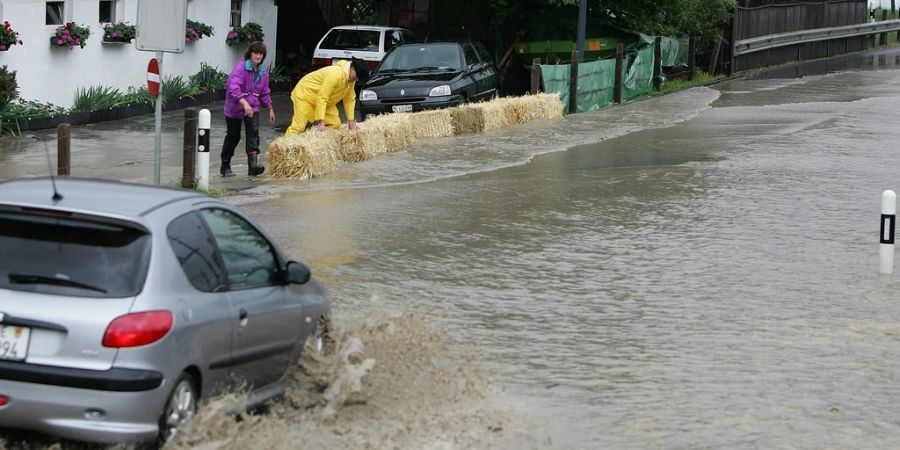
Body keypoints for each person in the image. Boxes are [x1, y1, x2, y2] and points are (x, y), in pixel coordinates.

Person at [221, 41, 275, 177]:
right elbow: (232, 87)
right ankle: (225, 165)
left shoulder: (263, 72)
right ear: (250, 54)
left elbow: (264, 92)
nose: (258, 56)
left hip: (253, 107)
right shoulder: (240, 68)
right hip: (235, 107)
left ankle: (253, 167)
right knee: (234, 136)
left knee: (253, 133)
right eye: (255, 53)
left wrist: (269, 108)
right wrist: (244, 103)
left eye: (261, 54)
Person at [285, 58, 369, 135]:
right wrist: (321, 121)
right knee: (299, 127)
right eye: (357, 77)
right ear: (353, 69)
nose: (356, 80)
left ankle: (314, 138)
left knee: (335, 123)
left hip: (321, 101)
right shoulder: (336, 74)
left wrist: (351, 120)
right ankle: (284, 147)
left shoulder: (350, 80)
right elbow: (322, 96)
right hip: (305, 95)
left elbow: (349, 99)